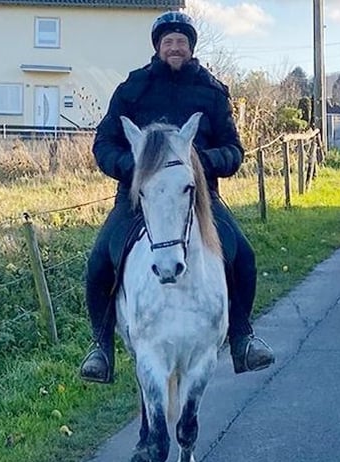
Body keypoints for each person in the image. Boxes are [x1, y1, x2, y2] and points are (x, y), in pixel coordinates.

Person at [79, 10, 275, 384]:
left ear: (190, 47)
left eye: (181, 41)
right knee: (99, 263)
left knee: (243, 257)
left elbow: (234, 149)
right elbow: (104, 143)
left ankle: (242, 337)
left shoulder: (212, 91)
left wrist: (200, 163)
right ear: (157, 46)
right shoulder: (132, 88)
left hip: (197, 197)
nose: (174, 47)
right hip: (139, 198)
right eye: (167, 41)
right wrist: (134, 168)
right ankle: (101, 348)